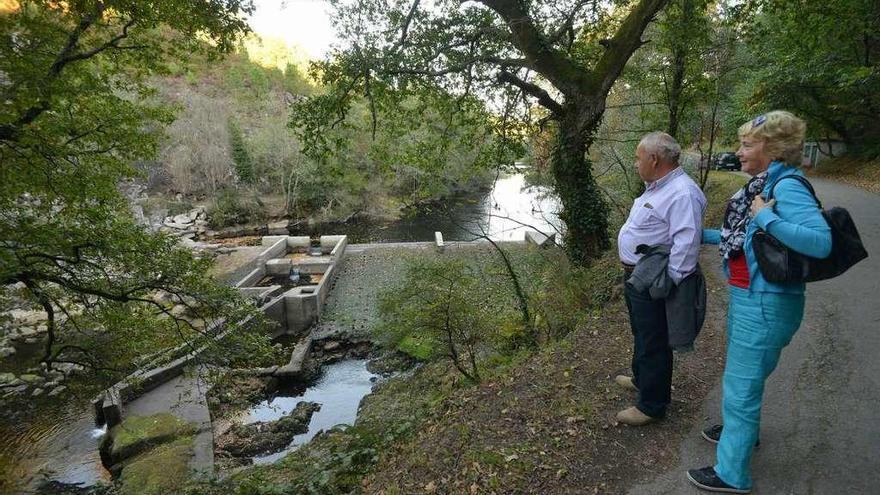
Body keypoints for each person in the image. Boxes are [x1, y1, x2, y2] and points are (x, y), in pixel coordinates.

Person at [686, 111, 832, 493]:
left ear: (773, 148)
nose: (739, 151)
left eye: (747, 144)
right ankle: (741, 432)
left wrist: (767, 218)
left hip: (765, 303)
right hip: (751, 297)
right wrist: (700, 234)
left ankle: (731, 473)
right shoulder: (765, 184)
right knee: (745, 380)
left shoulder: (787, 187)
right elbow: (744, 236)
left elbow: (820, 241)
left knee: (741, 386)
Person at [615, 132, 707, 426]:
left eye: (638, 157)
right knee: (642, 332)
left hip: (654, 280)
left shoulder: (682, 192)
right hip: (639, 276)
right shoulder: (657, 188)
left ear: (654, 159)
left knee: (654, 339)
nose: (635, 163)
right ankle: (642, 379)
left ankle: (652, 405)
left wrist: (668, 282)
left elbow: (687, 242)